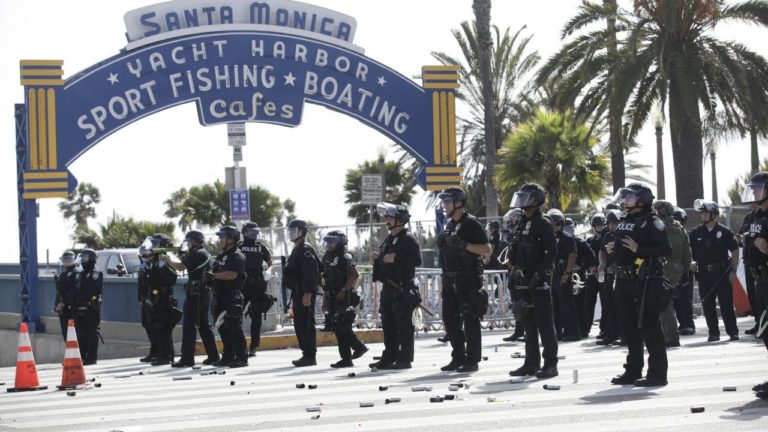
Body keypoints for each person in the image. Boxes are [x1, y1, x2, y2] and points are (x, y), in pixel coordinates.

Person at [608, 183, 671, 387]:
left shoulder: (653, 222)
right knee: (629, 329)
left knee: (649, 327)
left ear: (642, 199)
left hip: (644, 281)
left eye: (630, 197)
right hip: (623, 280)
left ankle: (657, 374)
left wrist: (639, 249)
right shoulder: (625, 220)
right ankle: (633, 370)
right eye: (624, 196)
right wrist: (614, 247)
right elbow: (624, 245)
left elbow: (665, 250)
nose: (625, 200)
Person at [436, 188, 491, 373]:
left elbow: (487, 249)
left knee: (470, 319)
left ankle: (472, 359)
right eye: (443, 202)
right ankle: (458, 355)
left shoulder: (471, 223)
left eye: (447, 202)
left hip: (468, 278)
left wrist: (465, 245)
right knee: (449, 319)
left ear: (458, 203)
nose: (444, 205)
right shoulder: (450, 224)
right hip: (450, 279)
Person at [507, 183, 559, 379]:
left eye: (526, 197)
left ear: (536, 199)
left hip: (539, 281)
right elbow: (515, 250)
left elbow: (551, 253)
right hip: (523, 279)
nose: (521, 201)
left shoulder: (543, 223)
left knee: (545, 325)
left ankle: (550, 364)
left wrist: (539, 275)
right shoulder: (521, 223)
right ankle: (531, 363)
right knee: (528, 324)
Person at [369, 203, 422, 370]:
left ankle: (404, 359)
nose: (387, 220)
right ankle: (389, 356)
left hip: (402, 288)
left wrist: (397, 258)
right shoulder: (389, 239)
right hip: (388, 288)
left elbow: (416, 260)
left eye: (390, 217)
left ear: (400, 220)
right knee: (388, 325)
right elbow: (384, 260)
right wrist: (377, 259)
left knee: (404, 327)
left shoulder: (408, 239)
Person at [164, 230, 220, 367]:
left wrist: (168, 260)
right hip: (204, 292)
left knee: (189, 326)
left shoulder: (197, 254)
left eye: (189, 241)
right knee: (204, 326)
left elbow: (180, 267)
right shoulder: (204, 253)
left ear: (194, 241)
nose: (188, 244)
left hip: (196, 293)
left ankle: (187, 358)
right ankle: (213, 356)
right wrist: (181, 255)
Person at [689, 199, 740, 342]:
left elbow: (735, 251)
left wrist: (734, 270)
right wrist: (690, 262)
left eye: (706, 213)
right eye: (702, 213)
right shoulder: (695, 233)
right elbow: (687, 251)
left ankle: (732, 332)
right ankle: (713, 333)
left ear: (714, 214)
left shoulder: (725, 231)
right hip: (704, 274)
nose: (703, 215)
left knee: (726, 305)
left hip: (722, 274)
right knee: (708, 305)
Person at [321, 230, 368, 368]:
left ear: (341, 243)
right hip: (332, 297)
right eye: (328, 241)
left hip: (345, 297)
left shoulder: (345, 257)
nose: (329, 244)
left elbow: (354, 275)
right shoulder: (327, 257)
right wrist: (325, 301)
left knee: (343, 326)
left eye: (333, 241)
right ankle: (346, 359)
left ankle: (359, 347)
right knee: (337, 328)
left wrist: (344, 289)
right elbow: (325, 280)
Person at [741, 172, 768, 399]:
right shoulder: (756, 216)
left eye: (759, 189)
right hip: (760, 279)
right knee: (765, 331)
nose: (754, 193)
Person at [652, 200, 691, 348]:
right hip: (676, 271)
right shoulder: (680, 228)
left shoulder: (658, 227)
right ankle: (669, 336)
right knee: (667, 303)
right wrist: (686, 272)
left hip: (661, 269)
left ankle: (670, 338)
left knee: (663, 306)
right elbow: (687, 253)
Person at [209, 226, 248, 368]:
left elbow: (232, 274)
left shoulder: (237, 255)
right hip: (220, 296)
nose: (219, 240)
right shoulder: (220, 256)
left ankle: (242, 357)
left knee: (234, 327)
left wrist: (212, 276)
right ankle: (228, 356)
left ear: (230, 239)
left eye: (222, 237)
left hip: (232, 296)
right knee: (223, 328)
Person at [283, 219, 321, 367]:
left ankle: (310, 355)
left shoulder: (305, 249)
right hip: (298, 293)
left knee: (305, 324)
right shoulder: (297, 248)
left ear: (302, 232)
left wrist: (308, 293)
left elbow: (311, 273)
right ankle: (306, 354)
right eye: (290, 231)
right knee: (299, 323)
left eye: (294, 230)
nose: (291, 233)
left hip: (304, 293)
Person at [138, 234, 180, 366]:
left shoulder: (165, 260)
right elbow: (144, 281)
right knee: (150, 325)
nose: (152, 247)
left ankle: (166, 355)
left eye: (155, 244)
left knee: (162, 327)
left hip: (162, 298)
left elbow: (171, 278)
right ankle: (155, 352)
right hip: (150, 298)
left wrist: (159, 269)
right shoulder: (150, 262)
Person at [238, 222, 273, 356]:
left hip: (258, 285)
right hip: (243, 284)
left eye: (255, 232)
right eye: (251, 232)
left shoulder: (260, 247)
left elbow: (270, 262)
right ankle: (239, 346)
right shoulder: (239, 246)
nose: (254, 235)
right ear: (245, 232)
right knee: (236, 314)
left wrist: (268, 271)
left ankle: (253, 347)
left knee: (256, 316)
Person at [547, 209, 580, 341]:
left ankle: (574, 333)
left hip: (563, 274)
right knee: (554, 306)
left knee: (567, 305)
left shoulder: (567, 238)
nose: (555, 227)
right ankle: (557, 333)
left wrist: (567, 273)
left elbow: (572, 255)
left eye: (558, 224)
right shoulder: (547, 238)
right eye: (553, 225)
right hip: (552, 275)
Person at [568, 218, 599, 338]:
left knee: (581, 303)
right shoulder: (560, 241)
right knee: (566, 304)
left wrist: (581, 267)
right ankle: (569, 329)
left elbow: (591, 258)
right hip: (563, 275)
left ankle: (583, 329)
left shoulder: (580, 242)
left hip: (578, 276)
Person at [597, 210, 623, 346]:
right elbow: (601, 251)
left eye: (615, 223)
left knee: (622, 306)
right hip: (609, 274)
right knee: (608, 305)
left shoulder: (624, 234)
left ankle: (624, 335)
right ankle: (611, 334)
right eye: (610, 223)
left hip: (622, 274)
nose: (612, 226)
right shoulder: (607, 235)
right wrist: (602, 263)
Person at [74, 248, 102, 365]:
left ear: (91, 259)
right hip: (80, 308)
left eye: (85, 257)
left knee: (91, 333)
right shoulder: (81, 273)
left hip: (91, 308)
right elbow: (77, 289)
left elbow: (90, 290)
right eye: (82, 257)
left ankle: (91, 357)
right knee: (81, 333)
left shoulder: (96, 273)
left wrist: (79, 300)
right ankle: (82, 356)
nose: (83, 260)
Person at [740, 202, 765, 336]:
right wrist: (743, 238)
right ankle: (758, 322)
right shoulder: (748, 217)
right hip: (749, 262)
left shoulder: (763, 217)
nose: (752, 204)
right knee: (753, 295)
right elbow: (740, 235)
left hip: (762, 262)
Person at [501, 208, 525, 342]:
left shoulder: (524, 233)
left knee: (524, 303)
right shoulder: (513, 235)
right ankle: (519, 331)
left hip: (522, 272)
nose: (510, 222)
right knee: (516, 303)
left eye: (512, 220)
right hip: (514, 272)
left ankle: (527, 332)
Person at [672, 207, 696, 335]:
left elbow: (691, 253)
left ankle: (688, 324)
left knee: (685, 299)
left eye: (678, 220)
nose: (676, 222)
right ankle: (681, 324)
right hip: (672, 272)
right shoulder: (667, 235)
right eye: (674, 219)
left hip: (685, 270)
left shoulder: (687, 234)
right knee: (675, 299)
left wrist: (690, 265)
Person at [587, 214, 608, 341]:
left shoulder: (607, 238)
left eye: (601, 224)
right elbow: (587, 256)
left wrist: (601, 267)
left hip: (604, 273)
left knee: (606, 302)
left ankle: (604, 329)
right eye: (596, 225)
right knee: (589, 301)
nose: (599, 227)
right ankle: (586, 327)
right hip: (592, 274)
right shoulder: (590, 240)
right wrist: (591, 267)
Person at [54, 251, 79, 340]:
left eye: (69, 259)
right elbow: (59, 291)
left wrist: (64, 302)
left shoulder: (76, 273)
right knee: (66, 334)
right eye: (65, 260)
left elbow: (74, 290)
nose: (67, 262)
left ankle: (78, 353)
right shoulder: (62, 275)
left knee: (73, 334)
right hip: (63, 309)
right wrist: (57, 304)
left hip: (72, 308)